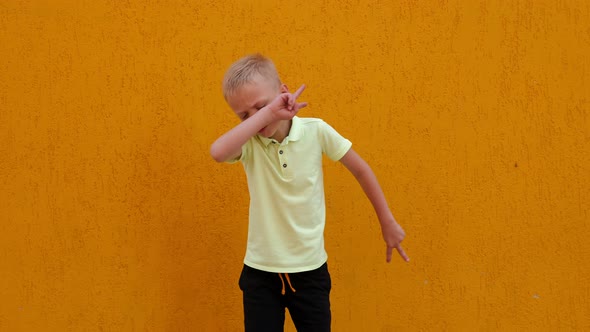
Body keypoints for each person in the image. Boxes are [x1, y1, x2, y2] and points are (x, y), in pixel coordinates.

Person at [210, 54, 408, 332]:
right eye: (244, 115)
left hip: (310, 272)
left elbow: (361, 170)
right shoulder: (249, 144)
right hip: (260, 273)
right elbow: (217, 153)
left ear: (282, 93)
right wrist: (266, 114)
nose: (255, 119)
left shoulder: (316, 131)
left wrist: (387, 221)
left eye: (261, 106)